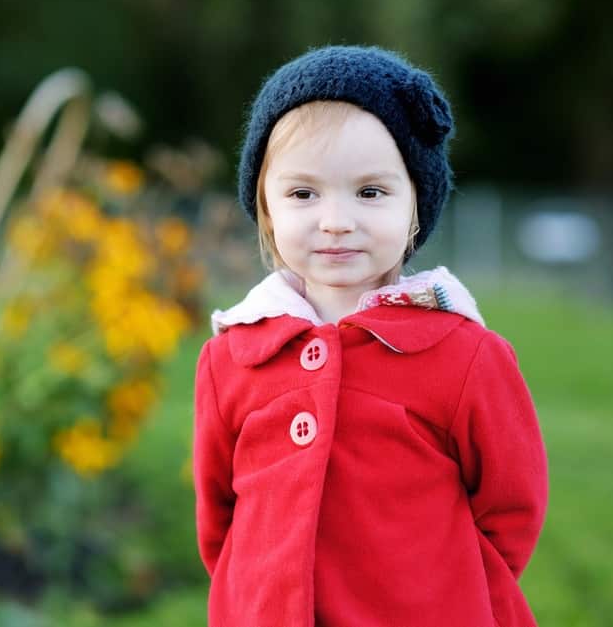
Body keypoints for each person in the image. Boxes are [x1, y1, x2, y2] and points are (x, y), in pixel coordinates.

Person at [192, 45, 548, 627]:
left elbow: (511, 509)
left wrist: (452, 588)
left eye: (370, 192)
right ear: (266, 207)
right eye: (303, 194)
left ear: (415, 206)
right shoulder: (231, 356)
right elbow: (219, 519)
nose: (336, 219)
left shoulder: (466, 353)